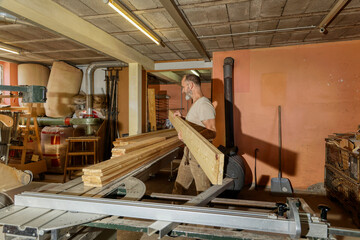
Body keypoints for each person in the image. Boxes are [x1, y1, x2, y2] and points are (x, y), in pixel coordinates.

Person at [173, 74, 216, 195]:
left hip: (200, 155)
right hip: (189, 153)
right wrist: (183, 119)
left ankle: (205, 214)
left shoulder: (204, 104)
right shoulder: (196, 104)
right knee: (178, 188)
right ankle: (174, 211)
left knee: (203, 193)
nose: (183, 90)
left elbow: (212, 132)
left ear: (190, 85)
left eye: (183, 87)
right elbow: (197, 125)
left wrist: (187, 136)